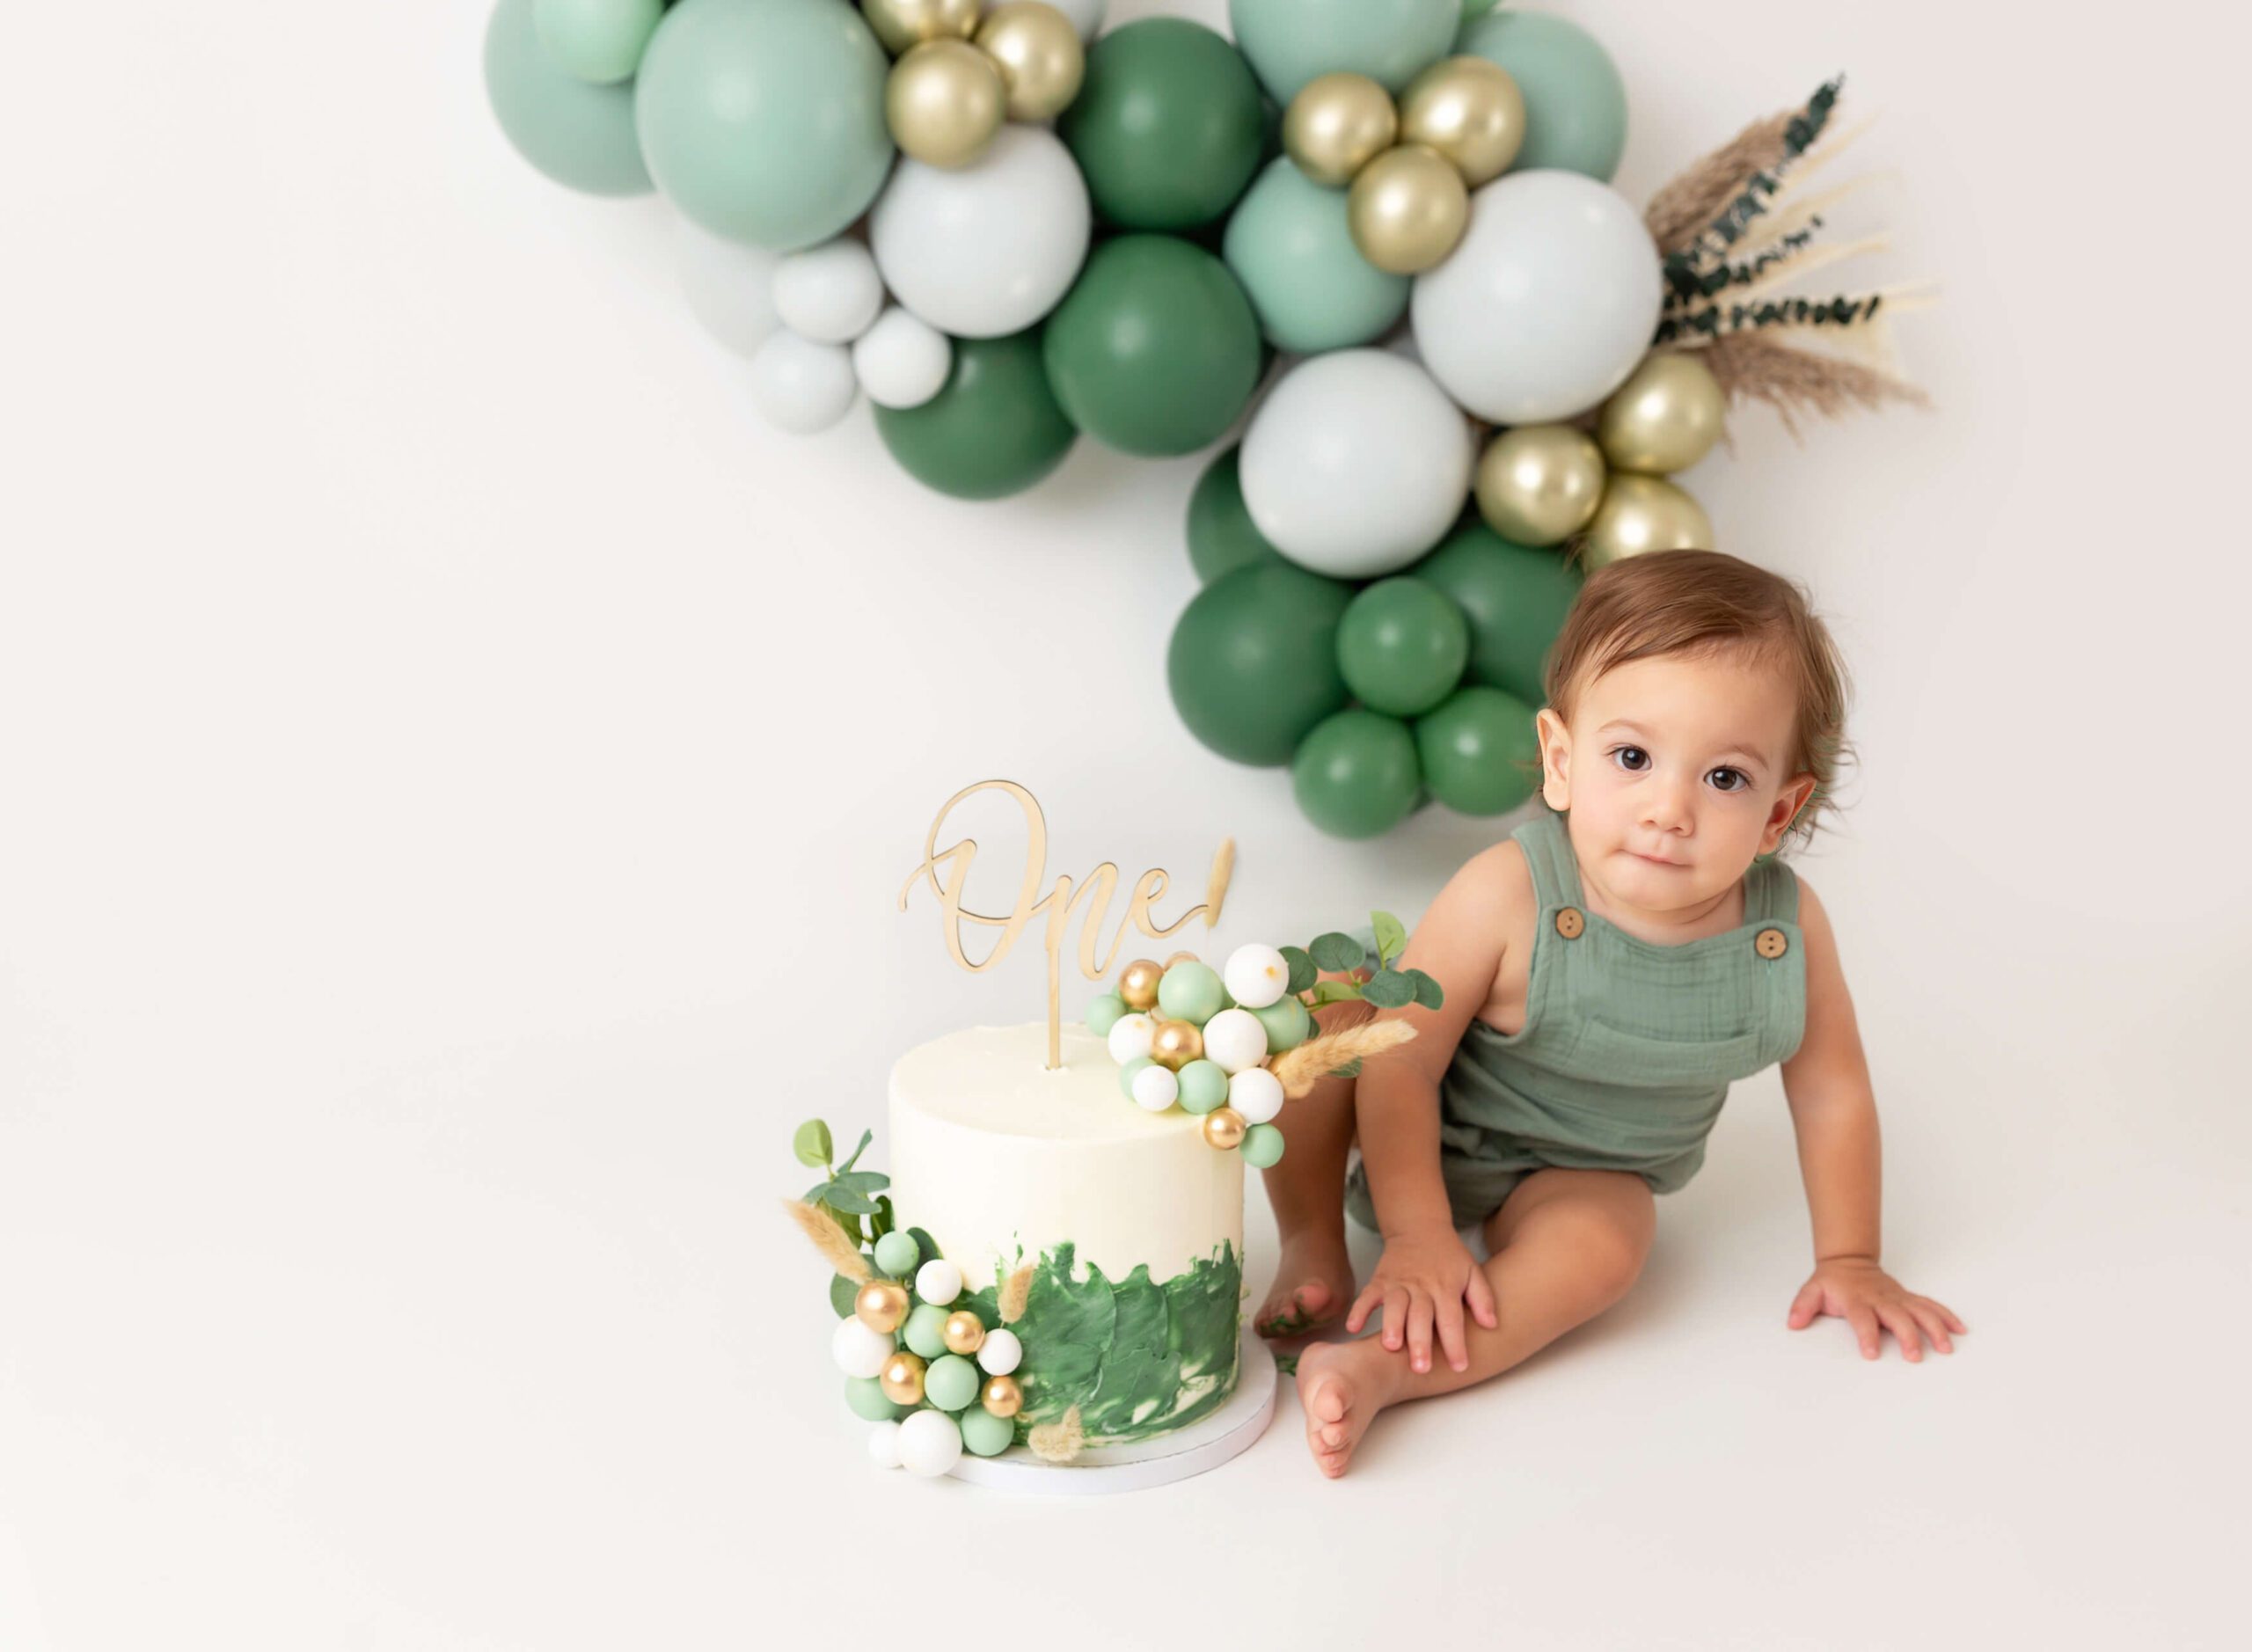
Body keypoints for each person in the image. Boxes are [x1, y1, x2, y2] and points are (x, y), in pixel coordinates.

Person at [1254, 549, 1965, 1479]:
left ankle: (1386, 1370)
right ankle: (1312, 1245)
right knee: (1329, 1021)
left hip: (1583, 1171)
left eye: (1724, 779)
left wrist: (1852, 1256)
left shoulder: (1783, 933)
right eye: (1631, 758)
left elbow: (1830, 1090)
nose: (1668, 809)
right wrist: (1420, 1232)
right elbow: (1402, 1061)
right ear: (1560, 760)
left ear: (1780, 813)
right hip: (1402, 1121)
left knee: (1608, 1247)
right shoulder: (1510, 889)